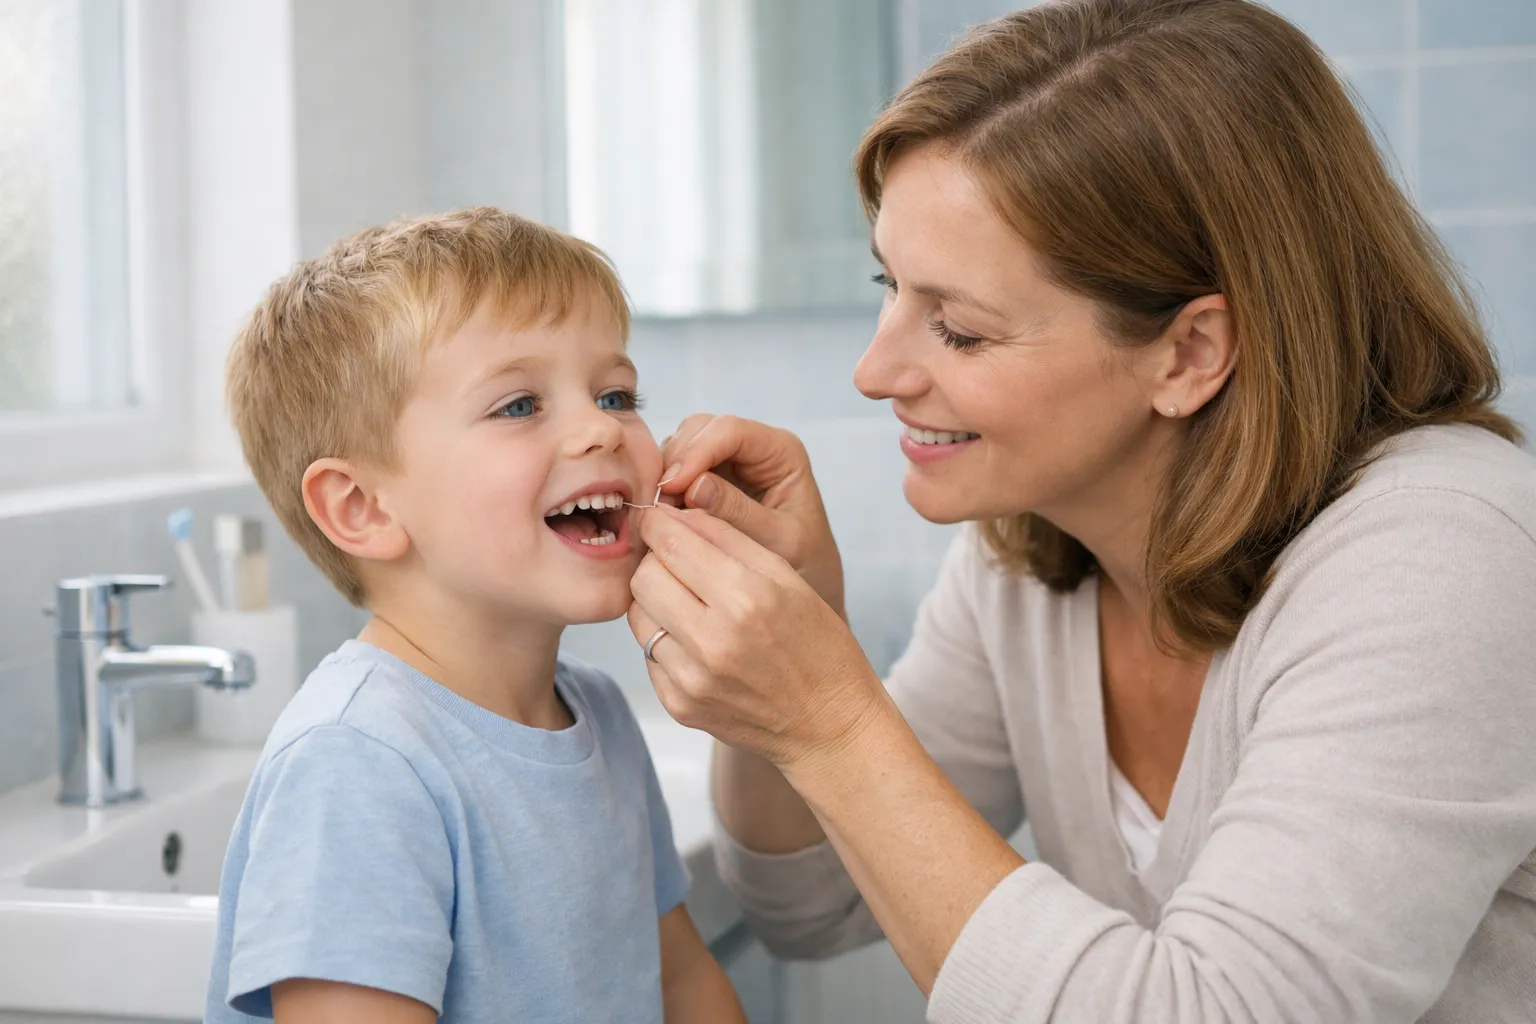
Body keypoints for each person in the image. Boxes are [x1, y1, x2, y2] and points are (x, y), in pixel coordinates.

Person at [622, 1, 1536, 1021]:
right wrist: (795, 643)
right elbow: (813, 903)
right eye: (889, 285)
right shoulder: (1032, 553)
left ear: (1190, 353)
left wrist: (830, 714)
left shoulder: (1444, 555)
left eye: (958, 329)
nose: (876, 370)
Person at [205, 208, 746, 1023]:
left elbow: (678, 981)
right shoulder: (358, 765)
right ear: (361, 507)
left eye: (616, 393)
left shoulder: (599, 716)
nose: (603, 427)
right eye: (520, 405)